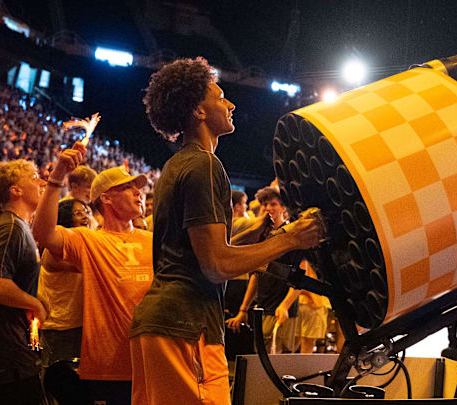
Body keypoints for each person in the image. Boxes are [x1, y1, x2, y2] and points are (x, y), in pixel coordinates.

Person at [129, 57, 320, 405]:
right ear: (199, 112)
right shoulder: (205, 164)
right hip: (186, 326)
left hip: (159, 323)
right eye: (220, 97)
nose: (230, 104)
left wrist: (261, 230)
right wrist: (291, 239)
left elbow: (202, 247)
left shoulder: (177, 164)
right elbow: (217, 263)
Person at [34, 149, 154, 405]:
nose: (138, 192)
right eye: (128, 188)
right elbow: (44, 234)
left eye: (138, 187)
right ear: (107, 198)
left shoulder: (154, 240)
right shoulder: (89, 240)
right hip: (109, 367)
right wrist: (57, 178)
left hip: (152, 361)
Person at [229, 186, 302, 353]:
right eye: (265, 204)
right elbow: (255, 275)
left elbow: (300, 279)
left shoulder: (291, 236)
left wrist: (285, 305)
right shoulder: (262, 236)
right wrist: (243, 309)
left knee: (281, 364)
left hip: (282, 311)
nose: (268, 208)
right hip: (263, 307)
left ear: (284, 207)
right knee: (261, 357)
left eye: (274, 204)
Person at [0, 159, 47, 405]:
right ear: (15, 190)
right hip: (10, 356)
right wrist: (35, 304)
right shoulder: (10, 227)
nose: (41, 181)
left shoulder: (20, 226)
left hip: (18, 351)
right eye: (34, 176)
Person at [37, 198, 91, 368]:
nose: (85, 217)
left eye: (86, 212)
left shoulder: (83, 242)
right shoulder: (55, 250)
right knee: (58, 379)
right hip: (60, 326)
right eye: (78, 213)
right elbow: (88, 266)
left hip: (79, 322)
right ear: (65, 218)